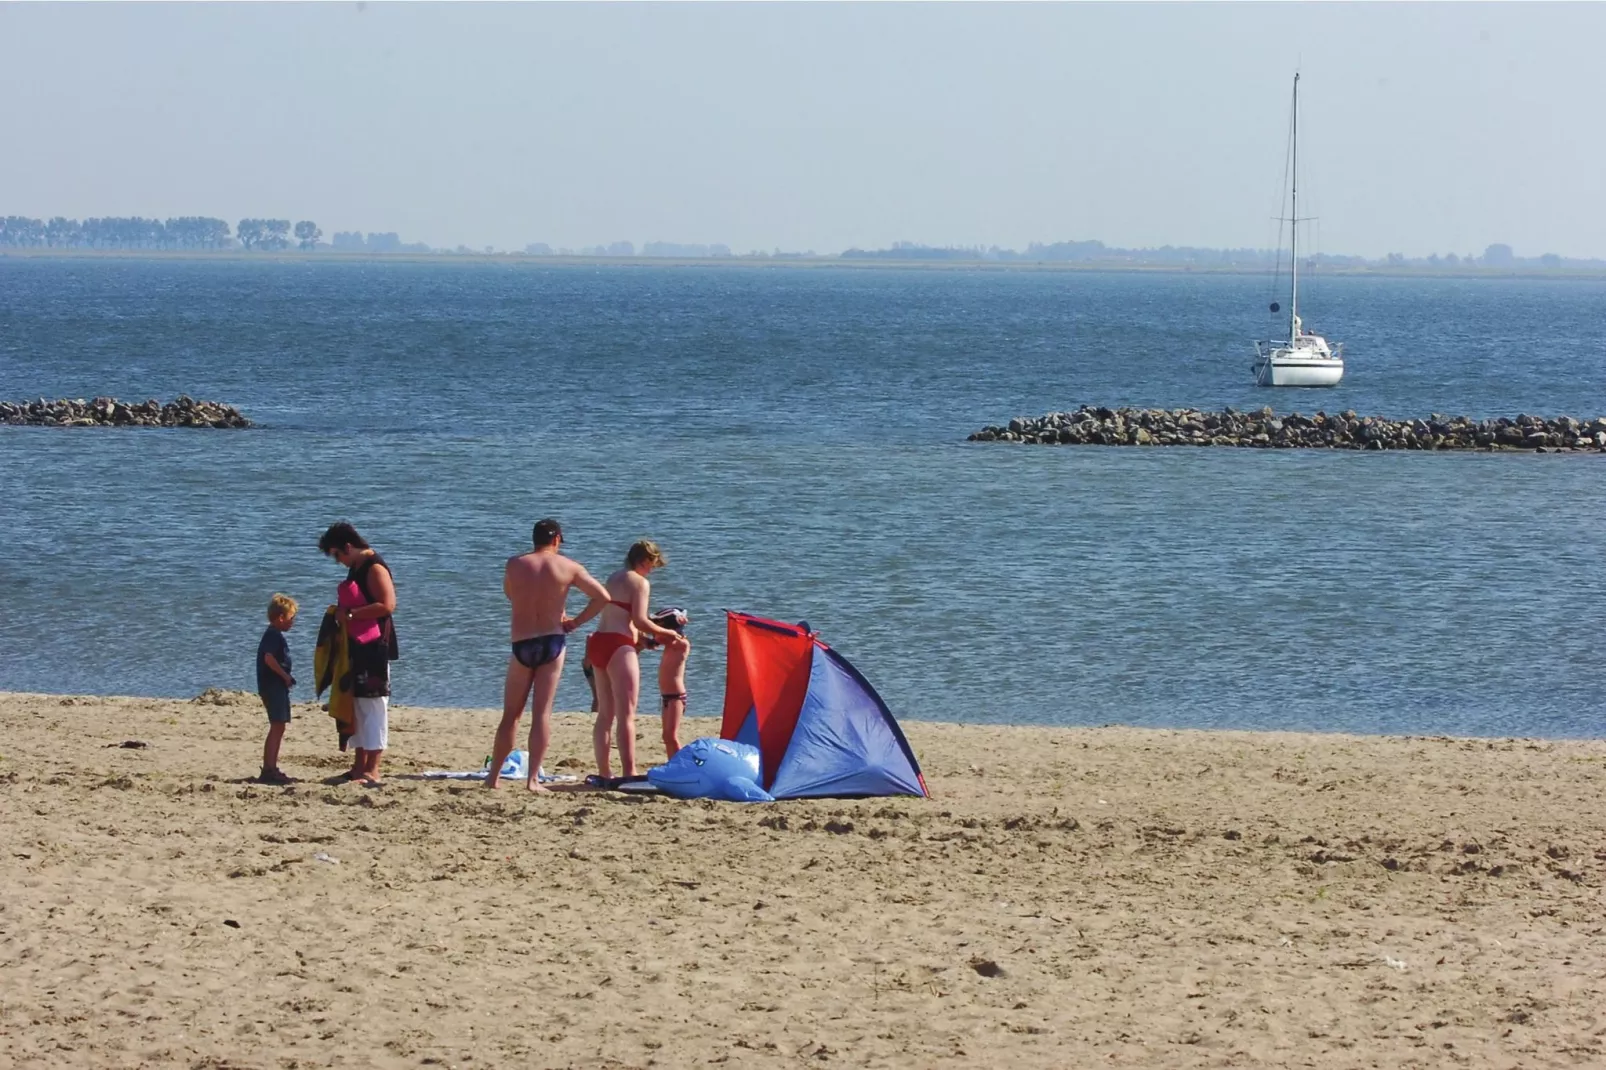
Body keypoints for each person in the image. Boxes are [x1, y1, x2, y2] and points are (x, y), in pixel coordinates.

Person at [486, 518, 611, 791]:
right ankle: (532, 780)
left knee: (511, 715)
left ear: (534, 539)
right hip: (552, 642)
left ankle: (493, 778)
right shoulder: (569, 566)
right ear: (557, 540)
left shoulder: (514, 564)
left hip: (522, 642)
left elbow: (511, 594)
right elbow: (602, 596)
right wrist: (575, 621)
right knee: (541, 713)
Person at [587, 541, 686, 783]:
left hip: (598, 642)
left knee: (605, 715)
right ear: (645, 560)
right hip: (619, 646)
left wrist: (641, 639)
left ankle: (604, 771)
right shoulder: (640, 582)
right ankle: (628, 772)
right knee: (626, 715)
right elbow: (640, 619)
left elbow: (621, 616)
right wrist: (668, 634)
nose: (652, 570)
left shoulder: (614, 577)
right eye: (652, 565)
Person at [319, 522, 397, 786]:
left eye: (337, 555)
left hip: (375, 646)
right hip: (355, 644)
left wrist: (351, 614)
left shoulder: (374, 566)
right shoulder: (355, 567)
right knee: (357, 704)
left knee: (374, 705)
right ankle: (358, 766)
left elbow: (387, 605)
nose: (338, 561)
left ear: (348, 547)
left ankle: (373, 769)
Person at [256, 593, 298, 784]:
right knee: (277, 725)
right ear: (281, 618)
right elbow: (268, 658)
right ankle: (269, 768)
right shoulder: (273, 635)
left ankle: (271, 767)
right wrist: (284, 676)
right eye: (291, 618)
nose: (293, 622)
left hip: (274, 686)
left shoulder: (274, 634)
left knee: (278, 726)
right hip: (273, 686)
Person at [640, 607, 691, 758]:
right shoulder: (670, 643)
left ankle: (682, 766)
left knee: (671, 736)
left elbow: (661, 639)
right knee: (666, 737)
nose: (656, 632)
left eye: (659, 627)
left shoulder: (681, 644)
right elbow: (650, 643)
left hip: (676, 697)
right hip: (667, 696)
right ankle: (672, 765)